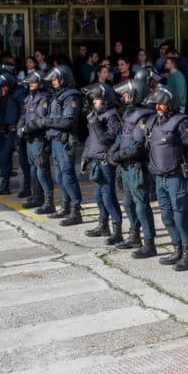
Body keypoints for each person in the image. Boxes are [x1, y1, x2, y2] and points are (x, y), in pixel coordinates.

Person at [143, 87, 188, 271]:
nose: (158, 107)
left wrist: (185, 163)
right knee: (166, 216)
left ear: (170, 104)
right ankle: (176, 248)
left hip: (176, 176)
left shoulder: (181, 122)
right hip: (158, 176)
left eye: (161, 103)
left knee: (180, 216)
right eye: (156, 104)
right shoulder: (152, 122)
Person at [110, 70, 158, 257]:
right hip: (126, 166)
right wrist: (112, 152)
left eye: (127, 94)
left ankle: (149, 243)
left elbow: (137, 147)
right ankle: (134, 235)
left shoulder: (144, 116)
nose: (124, 96)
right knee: (128, 203)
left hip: (137, 167)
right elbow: (122, 137)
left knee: (141, 205)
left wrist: (116, 156)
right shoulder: (130, 113)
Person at [37, 65, 85, 226]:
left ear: (64, 78)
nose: (53, 82)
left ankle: (75, 210)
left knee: (67, 175)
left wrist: (46, 122)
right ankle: (65, 206)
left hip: (65, 141)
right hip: (55, 140)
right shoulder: (56, 95)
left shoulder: (71, 96)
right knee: (59, 176)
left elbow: (68, 121)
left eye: (56, 79)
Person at [82, 82, 123, 243]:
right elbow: (91, 138)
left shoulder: (112, 115)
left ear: (105, 100)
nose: (94, 101)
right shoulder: (97, 113)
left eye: (97, 99)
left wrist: (95, 123)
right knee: (98, 196)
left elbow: (110, 137)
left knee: (108, 196)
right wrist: (86, 155)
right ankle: (103, 226)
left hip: (105, 160)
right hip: (95, 159)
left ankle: (117, 231)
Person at [17, 71, 55, 212]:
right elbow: (23, 115)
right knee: (33, 169)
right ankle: (37, 197)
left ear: (39, 83)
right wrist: (19, 129)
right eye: (29, 83)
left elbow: (40, 119)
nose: (30, 85)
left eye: (33, 83)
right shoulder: (28, 98)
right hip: (29, 139)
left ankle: (48, 201)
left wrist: (24, 129)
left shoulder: (43, 98)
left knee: (41, 170)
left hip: (39, 138)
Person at [0, 72, 21, 196]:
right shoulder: (6, 95)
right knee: (4, 155)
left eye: (5, 86)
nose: (3, 89)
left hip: (16, 130)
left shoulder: (19, 94)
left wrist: (15, 126)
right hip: (6, 129)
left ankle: (28, 188)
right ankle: (5, 184)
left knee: (24, 160)